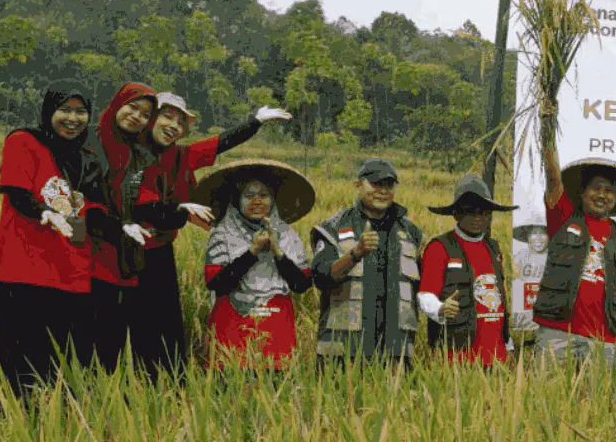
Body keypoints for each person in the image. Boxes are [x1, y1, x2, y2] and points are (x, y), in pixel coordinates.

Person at [127, 93, 293, 376]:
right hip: (122, 248)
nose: (173, 126)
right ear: (150, 117)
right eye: (167, 117)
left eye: (180, 122)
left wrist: (255, 122)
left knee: (166, 320)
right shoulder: (125, 153)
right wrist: (176, 208)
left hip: (158, 250)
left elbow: (220, 143)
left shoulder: (182, 156)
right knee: (127, 322)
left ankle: (169, 383)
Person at [0, 84, 111, 394]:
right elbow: (16, 191)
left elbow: (88, 207)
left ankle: (54, 423)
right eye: (64, 110)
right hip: (25, 268)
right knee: (19, 355)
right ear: (48, 111)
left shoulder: (85, 157)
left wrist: (117, 226)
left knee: (61, 359)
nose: (72, 118)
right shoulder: (24, 141)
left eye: (80, 111)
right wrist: (45, 211)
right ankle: (11, 420)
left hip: (70, 269)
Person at [535, 128, 616, 366]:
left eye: (609, 191)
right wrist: (547, 129)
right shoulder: (564, 219)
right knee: (545, 400)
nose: (601, 195)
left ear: (615, 199)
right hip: (557, 334)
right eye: (596, 188)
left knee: (600, 402)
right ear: (583, 193)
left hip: (605, 341)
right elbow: (553, 177)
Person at [196, 159, 315, 369]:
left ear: (273, 199)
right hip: (233, 324)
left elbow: (301, 285)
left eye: (264, 195)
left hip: (276, 323)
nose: (257, 201)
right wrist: (252, 252)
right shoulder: (223, 235)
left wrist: (278, 253)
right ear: (236, 200)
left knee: (275, 389)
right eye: (249, 196)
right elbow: (217, 284)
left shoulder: (287, 236)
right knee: (228, 387)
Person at [309, 158, 425, 366]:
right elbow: (321, 278)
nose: (382, 191)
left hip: (395, 354)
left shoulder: (412, 233)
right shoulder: (332, 228)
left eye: (388, 185)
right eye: (375, 184)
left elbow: (425, 289)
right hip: (342, 353)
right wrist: (355, 253)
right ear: (358, 185)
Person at [89, 83, 161, 369]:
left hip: (120, 253)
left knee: (111, 331)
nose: (136, 117)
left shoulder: (141, 155)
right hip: (83, 247)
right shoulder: (87, 140)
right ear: (118, 103)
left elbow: (145, 198)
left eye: (145, 115)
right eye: (132, 107)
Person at [419, 174, 515, 366]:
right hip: (458, 360)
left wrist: (509, 345)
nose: (478, 218)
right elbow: (424, 295)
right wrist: (440, 308)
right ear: (456, 214)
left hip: (497, 358)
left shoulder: (494, 249)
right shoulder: (439, 248)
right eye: (470, 211)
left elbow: (499, 300)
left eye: (484, 212)